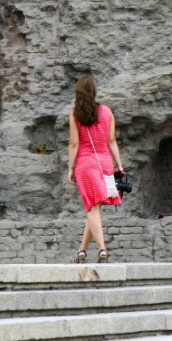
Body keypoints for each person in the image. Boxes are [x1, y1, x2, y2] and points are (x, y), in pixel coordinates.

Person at [67, 74, 124, 263]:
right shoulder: (107, 111)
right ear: (94, 91)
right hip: (105, 163)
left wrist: (70, 168)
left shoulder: (75, 114)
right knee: (94, 209)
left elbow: (74, 144)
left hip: (86, 164)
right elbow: (112, 141)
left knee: (92, 208)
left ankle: (102, 249)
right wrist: (119, 164)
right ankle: (82, 251)